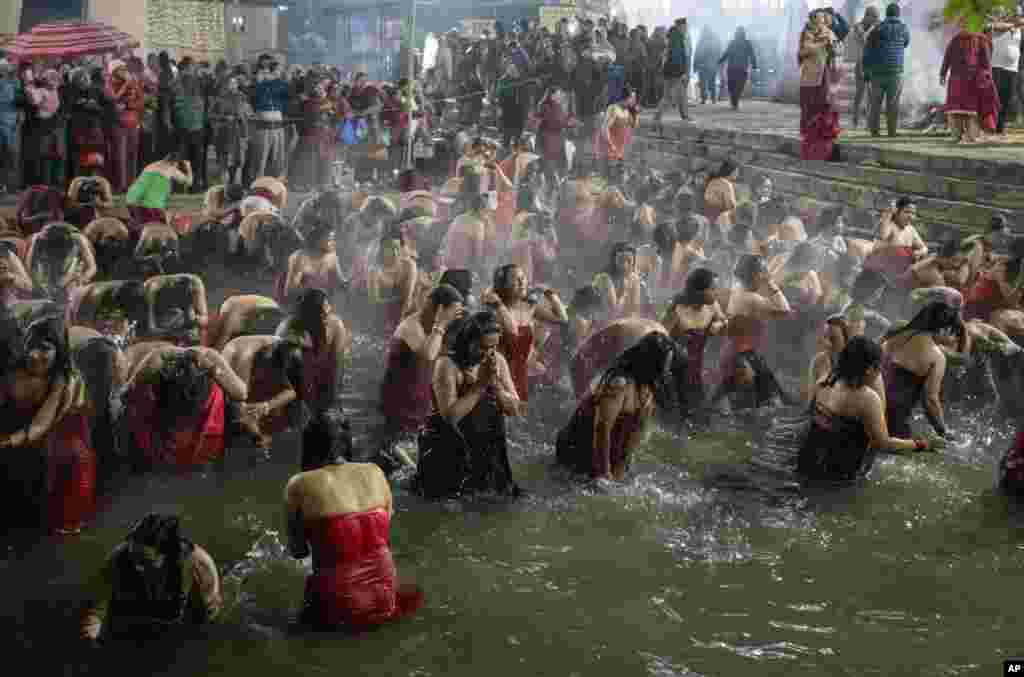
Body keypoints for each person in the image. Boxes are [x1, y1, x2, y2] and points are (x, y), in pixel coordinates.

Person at [285, 407, 423, 630]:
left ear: (310, 444)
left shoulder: (299, 484)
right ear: (347, 441)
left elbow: (298, 551)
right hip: (385, 596)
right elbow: (384, 537)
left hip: (339, 603)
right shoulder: (375, 472)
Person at [0, 314, 96, 536]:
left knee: (65, 455)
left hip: (60, 436)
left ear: (59, 350)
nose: (34, 355)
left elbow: (40, 426)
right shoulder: (13, 370)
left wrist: (6, 441)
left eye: (44, 348)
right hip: (24, 431)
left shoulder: (67, 381)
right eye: (30, 347)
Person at [799, 337, 940, 483]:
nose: (880, 373)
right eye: (879, 368)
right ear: (868, 370)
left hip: (805, 463)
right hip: (835, 476)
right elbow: (884, 443)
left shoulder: (824, 381)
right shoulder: (867, 398)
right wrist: (921, 444)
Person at [415, 310, 523, 499]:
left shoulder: (497, 361)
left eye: (494, 347)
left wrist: (495, 385)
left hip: (487, 448)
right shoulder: (447, 365)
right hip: (449, 449)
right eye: (482, 348)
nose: (488, 354)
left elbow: (514, 409)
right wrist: (480, 386)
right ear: (468, 341)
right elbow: (450, 417)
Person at [80, 514, 222, 644]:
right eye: (133, 556)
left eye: (144, 561)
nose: (136, 566)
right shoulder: (119, 558)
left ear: (167, 556)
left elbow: (205, 620)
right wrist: (93, 628)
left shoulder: (199, 567)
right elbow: (99, 606)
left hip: (178, 615)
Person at [557, 332, 678, 482]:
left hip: (607, 447)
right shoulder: (620, 383)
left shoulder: (649, 391)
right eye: (665, 364)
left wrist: (619, 471)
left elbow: (635, 433)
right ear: (653, 363)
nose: (667, 370)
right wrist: (604, 474)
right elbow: (602, 428)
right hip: (577, 445)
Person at [378, 283, 464, 439]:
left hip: (420, 396)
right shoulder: (410, 326)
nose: (453, 318)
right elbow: (429, 354)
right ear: (437, 309)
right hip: (401, 398)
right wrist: (441, 324)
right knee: (398, 444)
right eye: (451, 313)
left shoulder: (436, 327)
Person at [880, 300, 965, 439]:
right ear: (943, 329)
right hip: (894, 417)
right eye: (953, 333)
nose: (954, 339)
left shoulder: (897, 334)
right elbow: (930, 400)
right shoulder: (937, 357)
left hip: (871, 404)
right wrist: (943, 432)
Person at [485, 264, 568, 401]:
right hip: (502, 375)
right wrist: (496, 301)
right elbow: (512, 331)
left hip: (524, 373)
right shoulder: (495, 311)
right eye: (515, 279)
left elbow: (562, 319)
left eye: (523, 278)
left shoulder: (529, 307)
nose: (522, 282)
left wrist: (548, 292)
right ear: (503, 284)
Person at [662, 268, 729, 417]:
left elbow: (724, 320)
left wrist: (719, 324)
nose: (716, 293)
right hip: (675, 366)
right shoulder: (678, 309)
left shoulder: (712, 305)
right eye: (712, 289)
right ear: (698, 290)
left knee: (698, 410)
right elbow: (660, 336)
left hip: (697, 364)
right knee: (677, 410)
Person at [276, 288, 352, 415]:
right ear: (309, 315)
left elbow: (337, 366)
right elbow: (282, 372)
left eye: (328, 309)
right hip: (295, 378)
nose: (328, 315)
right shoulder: (288, 328)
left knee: (330, 410)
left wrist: (333, 403)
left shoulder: (335, 325)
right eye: (322, 313)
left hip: (322, 369)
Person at [798, 8, 849, 160]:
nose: (825, 20)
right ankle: (814, 150)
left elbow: (842, 37)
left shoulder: (828, 32)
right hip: (813, 79)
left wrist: (832, 47)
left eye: (826, 18)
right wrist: (823, 44)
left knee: (826, 111)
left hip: (827, 76)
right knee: (814, 113)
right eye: (822, 18)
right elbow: (804, 52)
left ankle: (823, 148)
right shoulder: (808, 33)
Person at [940, 25, 1000, 143]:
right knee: (961, 111)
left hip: (970, 80)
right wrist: (942, 73)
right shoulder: (957, 40)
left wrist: (942, 73)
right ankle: (960, 135)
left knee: (968, 112)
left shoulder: (978, 40)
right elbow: (948, 57)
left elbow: (986, 61)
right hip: (960, 80)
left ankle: (968, 136)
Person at [863, 3, 910, 137]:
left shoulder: (877, 29)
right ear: (898, 14)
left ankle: (874, 131)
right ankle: (892, 132)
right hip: (895, 72)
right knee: (893, 104)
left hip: (877, 72)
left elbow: (868, 51)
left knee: (875, 104)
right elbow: (906, 43)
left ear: (886, 14)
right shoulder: (903, 29)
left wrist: (866, 71)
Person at [277, 219, 347, 305]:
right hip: (302, 307)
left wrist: (347, 284)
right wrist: (313, 293)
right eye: (329, 239)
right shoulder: (300, 257)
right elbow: (289, 291)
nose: (333, 243)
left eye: (333, 239)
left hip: (323, 308)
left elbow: (340, 281)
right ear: (317, 241)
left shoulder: (332, 257)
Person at [125, 154, 193, 234]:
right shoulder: (170, 168)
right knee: (163, 229)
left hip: (130, 202)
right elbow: (189, 182)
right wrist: (188, 167)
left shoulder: (150, 166)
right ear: (174, 163)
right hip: (150, 206)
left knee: (142, 224)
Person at [848, 6, 881, 128]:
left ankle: (868, 122)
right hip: (861, 64)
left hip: (873, 65)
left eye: (877, 17)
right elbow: (863, 39)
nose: (876, 19)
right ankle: (855, 120)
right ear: (867, 16)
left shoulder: (877, 26)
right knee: (860, 93)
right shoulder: (858, 26)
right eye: (874, 17)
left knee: (871, 94)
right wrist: (873, 28)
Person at [718, 27, 758, 111]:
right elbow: (752, 54)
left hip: (732, 68)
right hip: (742, 68)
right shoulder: (747, 43)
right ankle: (735, 101)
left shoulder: (733, 42)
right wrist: (754, 65)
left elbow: (727, 53)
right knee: (739, 86)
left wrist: (720, 61)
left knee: (731, 86)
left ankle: (734, 101)